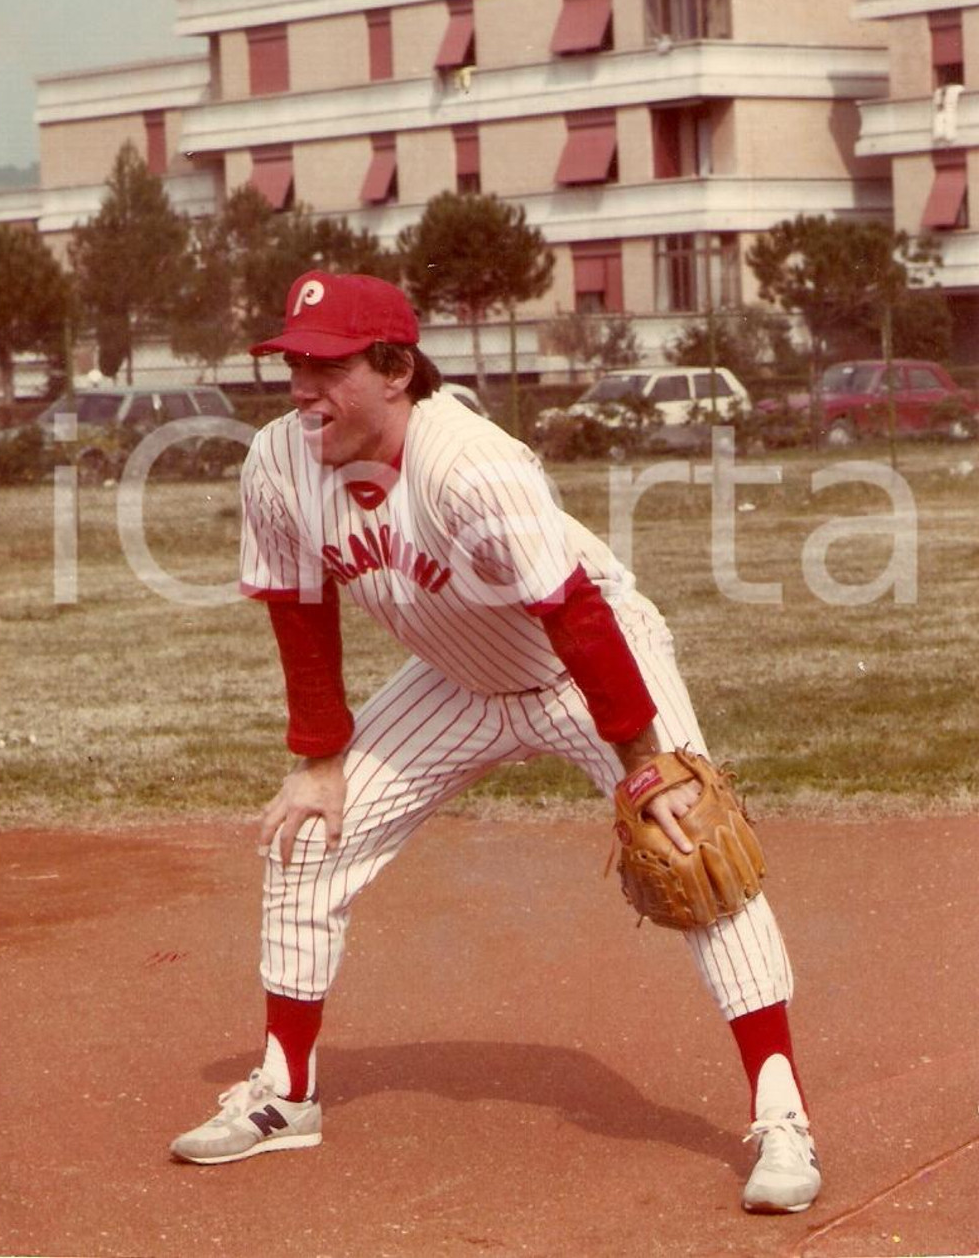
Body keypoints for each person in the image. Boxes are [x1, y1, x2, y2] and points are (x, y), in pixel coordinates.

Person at [170, 270, 822, 1215]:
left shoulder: (471, 463)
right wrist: (318, 760)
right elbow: (296, 603)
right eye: (290, 366)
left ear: (394, 369)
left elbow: (573, 611)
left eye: (324, 367)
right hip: (460, 680)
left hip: (583, 668)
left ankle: (783, 1117)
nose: (300, 388)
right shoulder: (276, 461)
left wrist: (647, 767)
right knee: (309, 836)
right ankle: (285, 1093)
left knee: (697, 849)